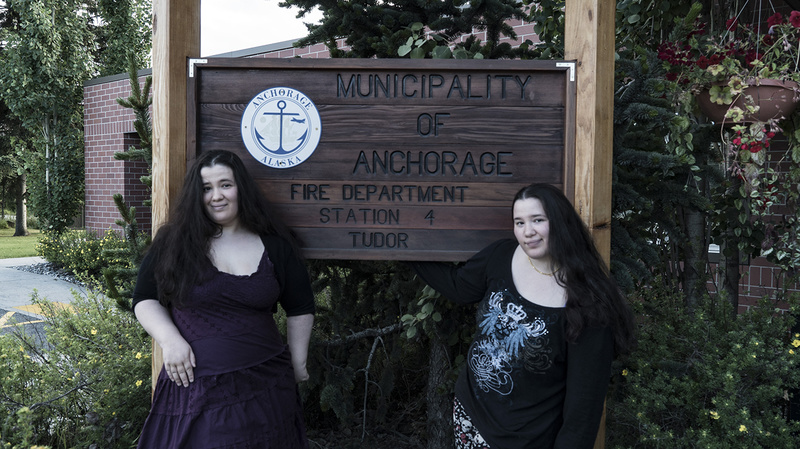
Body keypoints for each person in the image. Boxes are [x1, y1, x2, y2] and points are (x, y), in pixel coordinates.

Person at [411, 183, 635, 449]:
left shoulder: (590, 306)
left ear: (560, 222)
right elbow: (460, 287)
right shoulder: (503, 255)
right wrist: (399, 246)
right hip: (470, 417)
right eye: (519, 222)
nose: (528, 232)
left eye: (537, 220)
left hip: (525, 440)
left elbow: (582, 414)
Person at [132, 149, 315, 449]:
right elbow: (144, 298)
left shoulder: (275, 245)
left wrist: (297, 363)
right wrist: (170, 340)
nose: (217, 196)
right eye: (206, 188)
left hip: (266, 389)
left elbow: (300, 306)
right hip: (196, 390)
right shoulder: (174, 243)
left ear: (241, 188)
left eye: (225, 185)